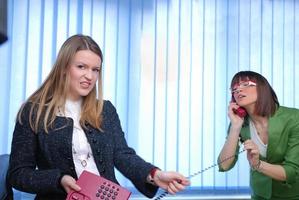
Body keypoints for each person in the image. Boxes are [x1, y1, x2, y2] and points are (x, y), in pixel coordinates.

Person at [7, 34, 190, 200]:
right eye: (81, 67)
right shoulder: (33, 112)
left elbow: (122, 155)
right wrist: (59, 179)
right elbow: (18, 174)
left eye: (95, 70)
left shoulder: (105, 110)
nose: (89, 76)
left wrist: (154, 175)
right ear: (63, 68)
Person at [218, 71, 299, 200]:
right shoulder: (239, 122)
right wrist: (235, 127)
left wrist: (257, 164)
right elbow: (224, 165)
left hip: (292, 195)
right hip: (259, 194)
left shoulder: (294, 118)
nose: (238, 89)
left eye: (245, 84)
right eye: (234, 88)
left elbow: (292, 172)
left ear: (263, 88)